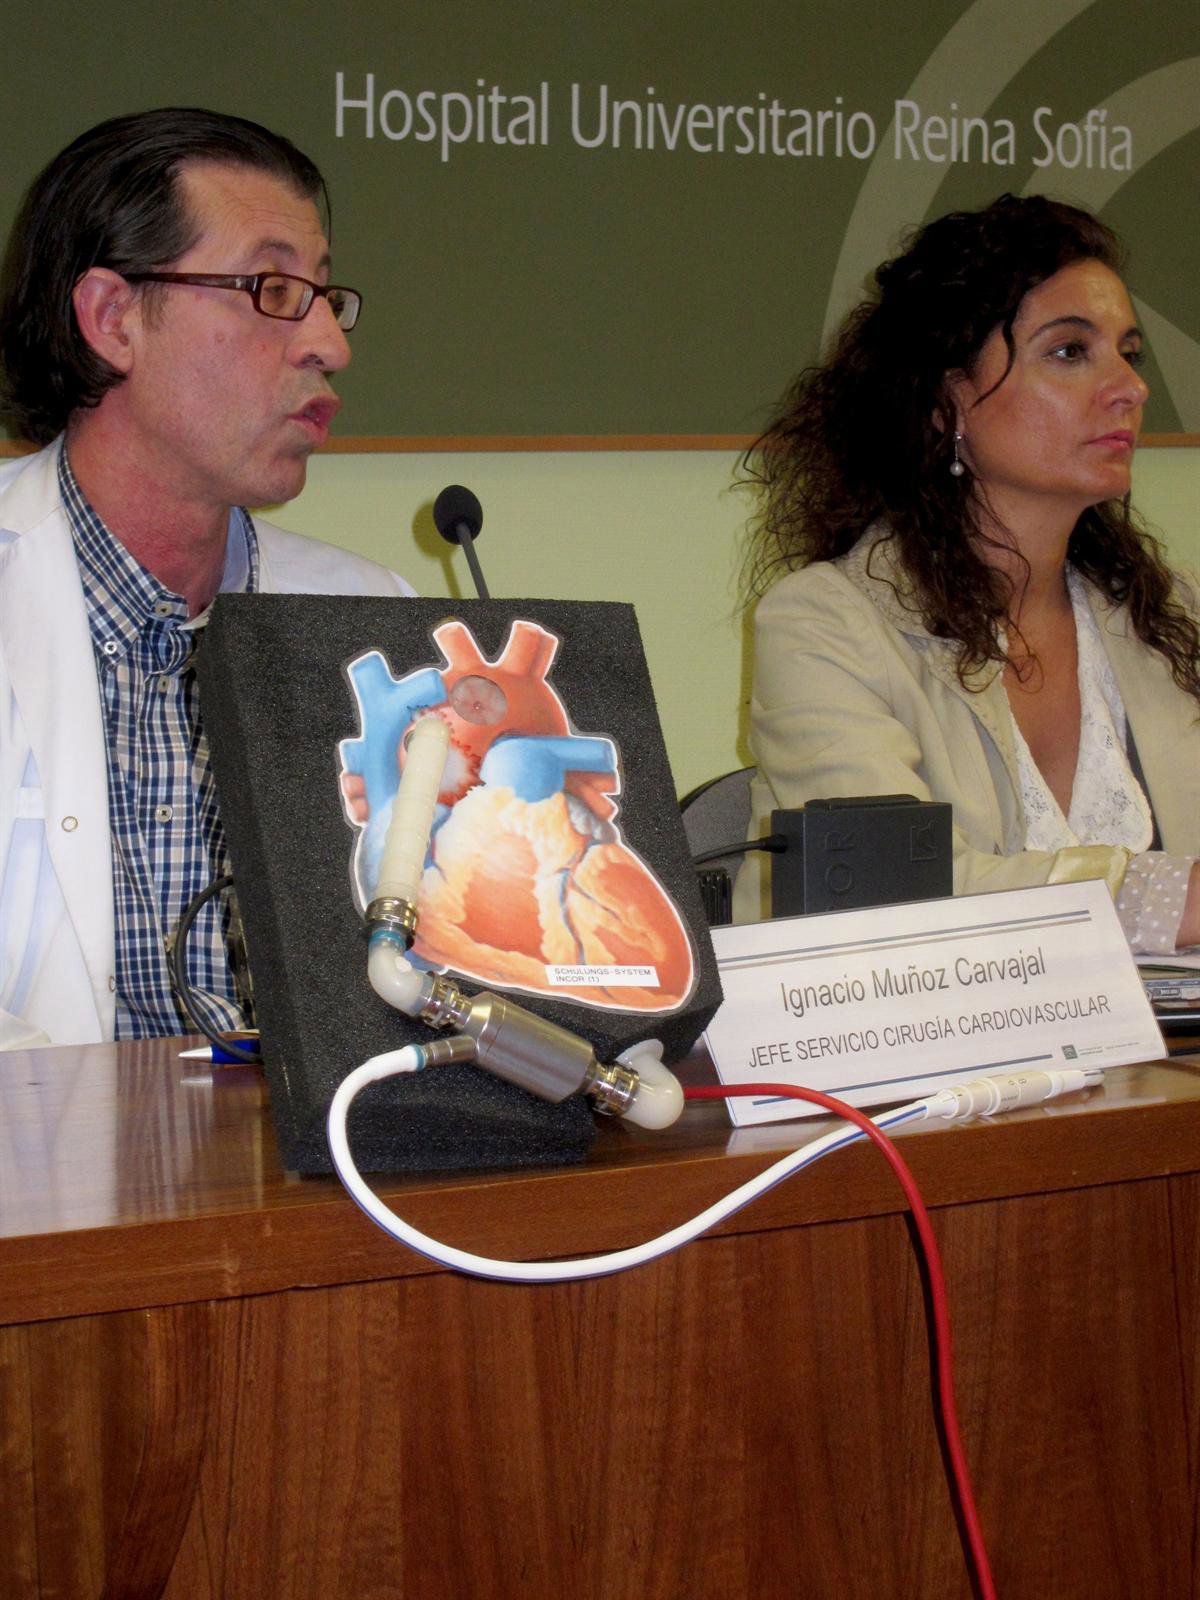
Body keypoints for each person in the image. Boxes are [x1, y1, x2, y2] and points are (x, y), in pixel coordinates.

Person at [0, 108, 416, 1049]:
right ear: (112, 319)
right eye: (274, 289)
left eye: (324, 295)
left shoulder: (371, 619)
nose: (330, 344)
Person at [736, 193, 1199, 950]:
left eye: (1129, 352)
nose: (1131, 387)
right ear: (946, 402)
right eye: (1070, 351)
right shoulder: (825, 623)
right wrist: (1166, 900)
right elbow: (889, 895)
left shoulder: (1171, 609)